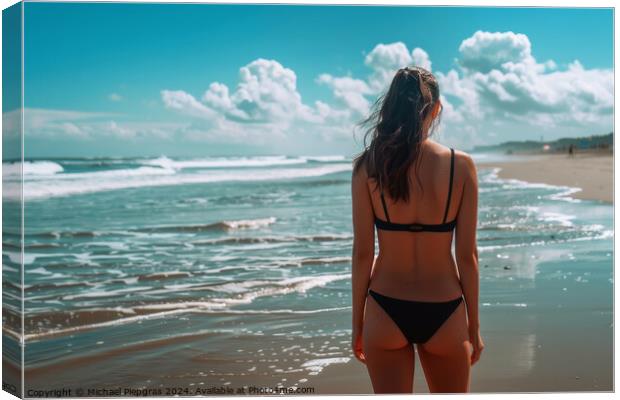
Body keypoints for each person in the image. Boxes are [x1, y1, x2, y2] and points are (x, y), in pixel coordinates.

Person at [350, 66, 483, 393]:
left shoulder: (367, 167)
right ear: (435, 110)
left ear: (390, 108)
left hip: (384, 307)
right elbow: (467, 257)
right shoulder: (460, 166)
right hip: (446, 309)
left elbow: (363, 254)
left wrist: (358, 325)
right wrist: (474, 326)